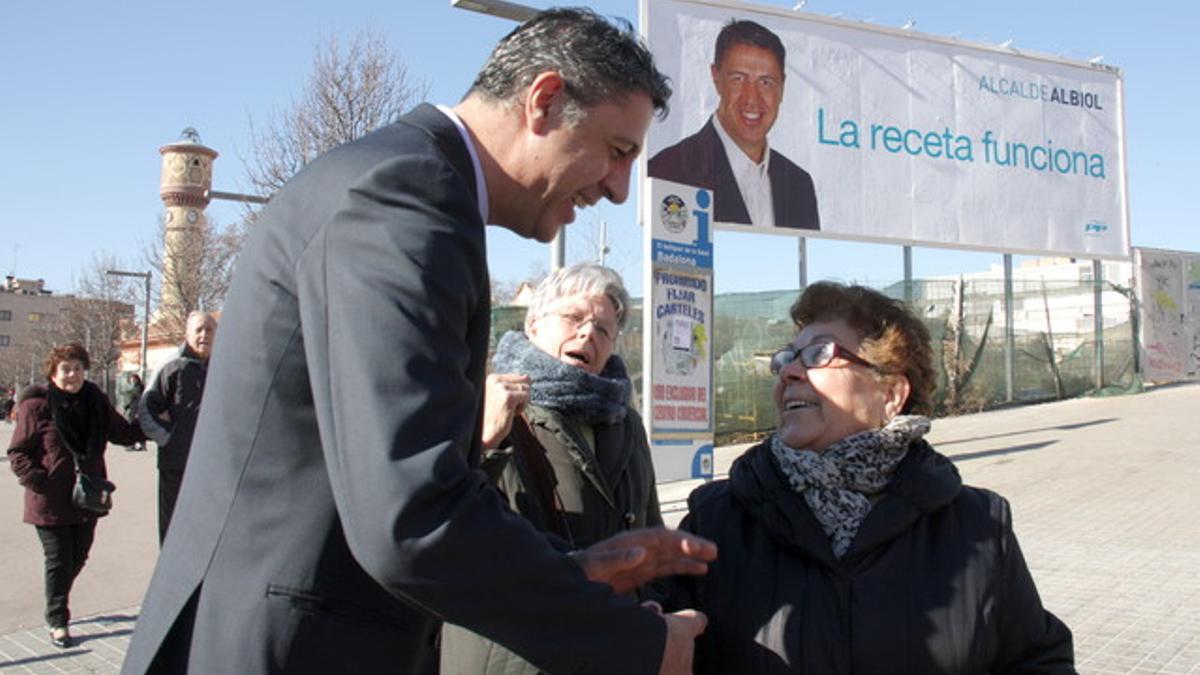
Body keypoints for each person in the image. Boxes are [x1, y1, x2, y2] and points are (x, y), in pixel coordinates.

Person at [121, 9, 715, 675]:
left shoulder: (409, 184)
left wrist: (573, 571)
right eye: (617, 150)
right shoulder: (406, 196)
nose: (616, 188)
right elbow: (412, 514)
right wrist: (635, 643)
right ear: (544, 101)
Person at [655, 282, 1075, 673]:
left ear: (890, 394)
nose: (789, 372)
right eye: (787, 357)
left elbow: (1039, 660)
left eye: (819, 354)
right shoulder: (716, 522)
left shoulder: (979, 526)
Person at [441, 262, 663, 674]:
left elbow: (650, 530)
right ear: (534, 324)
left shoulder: (627, 423)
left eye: (603, 329)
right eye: (574, 318)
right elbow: (433, 524)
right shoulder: (478, 400)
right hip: (514, 656)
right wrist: (484, 442)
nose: (587, 334)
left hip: (610, 648)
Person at [7, 343, 145, 649]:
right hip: (50, 500)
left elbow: (123, 433)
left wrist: (153, 418)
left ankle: (57, 599)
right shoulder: (37, 406)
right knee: (58, 560)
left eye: (78, 368)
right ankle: (58, 620)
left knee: (78, 556)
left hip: (88, 496)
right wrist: (39, 480)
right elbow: (17, 452)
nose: (72, 375)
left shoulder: (95, 400)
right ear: (54, 373)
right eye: (66, 369)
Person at [648, 19, 819, 230]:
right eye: (738, 79)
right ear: (716, 77)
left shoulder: (799, 185)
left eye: (766, 82)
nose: (752, 99)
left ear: (782, 87)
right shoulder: (669, 172)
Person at [138, 310, 216, 543]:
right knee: (173, 529)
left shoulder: (222, 366)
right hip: (176, 465)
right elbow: (146, 411)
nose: (204, 335)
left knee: (206, 529)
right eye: (199, 330)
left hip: (212, 465)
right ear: (187, 333)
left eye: (209, 330)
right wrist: (170, 440)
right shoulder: (171, 366)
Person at [116, 371, 145, 451]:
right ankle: (140, 444)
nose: (132, 380)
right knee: (137, 426)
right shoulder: (140, 387)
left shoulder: (137, 387)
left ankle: (132, 445)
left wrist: (126, 406)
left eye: (133, 379)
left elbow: (132, 396)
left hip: (135, 409)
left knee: (132, 426)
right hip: (136, 408)